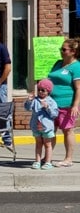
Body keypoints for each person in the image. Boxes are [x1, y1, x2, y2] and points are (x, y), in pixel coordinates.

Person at [47, 38, 80, 167]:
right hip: (51, 104)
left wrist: (75, 105)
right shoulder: (58, 63)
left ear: (72, 52)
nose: (61, 51)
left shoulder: (76, 66)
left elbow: (78, 88)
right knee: (50, 130)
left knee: (68, 130)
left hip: (67, 104)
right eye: (61, 49)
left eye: (64, 49)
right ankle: (48, 156)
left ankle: (68, 158)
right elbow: (50, 79)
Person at [24, 79, 59, 170]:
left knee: (47, 144)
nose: (40, 92)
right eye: (39, 89)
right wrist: (29, 101)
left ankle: (48, 162)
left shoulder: (51, 101)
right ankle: (37, 161)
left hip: (46, 127)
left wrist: (47, 107)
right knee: (38, 144)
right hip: (36, 126)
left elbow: (54, 114)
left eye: (43, 90)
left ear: (48, 91)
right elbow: (27, 108)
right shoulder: (35, 100)